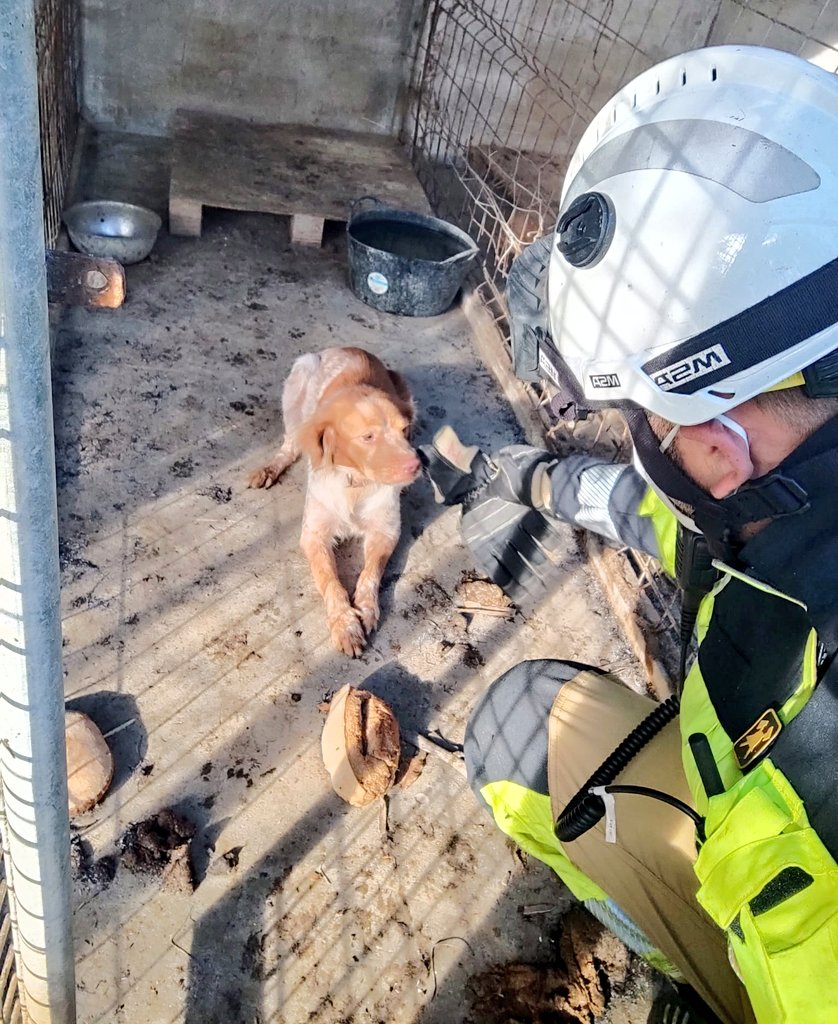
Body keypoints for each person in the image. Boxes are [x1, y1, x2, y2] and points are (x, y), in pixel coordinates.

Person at [420, 45, 838, 1024]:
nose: (639, 447)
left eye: (641, 422)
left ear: (718, 446)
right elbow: (643, 510)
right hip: (764, 875)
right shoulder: (767, 504)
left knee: (522, 739)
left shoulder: (811, 746)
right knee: (522, 718)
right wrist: (508, 472)